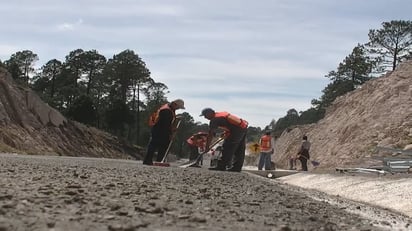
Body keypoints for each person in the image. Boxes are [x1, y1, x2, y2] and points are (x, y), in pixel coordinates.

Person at [200, 108, 248, 172]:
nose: (205, 117)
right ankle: (237, 167)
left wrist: (207, 147)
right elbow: (230, 124)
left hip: (237, 130)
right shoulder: (220, 115)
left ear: (210, 113)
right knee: (239, 149)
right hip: (243, 128)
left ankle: (221, 166)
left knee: (227, 147)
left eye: (205, 115)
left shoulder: (214, 119)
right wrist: (227, 131)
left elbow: (210, 134)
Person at [143, 99, 185, 165]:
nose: (178, 109)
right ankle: (149, 160)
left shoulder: (169, 108)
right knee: (156, 145)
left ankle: (158, 160)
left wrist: (176, 118)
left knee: (161, 145)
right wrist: (171, 132)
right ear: (174, 104)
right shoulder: (166, 110)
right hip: (160, 129)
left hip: (160, 128)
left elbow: (169, 119)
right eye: (178, 107)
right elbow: (166, 124)